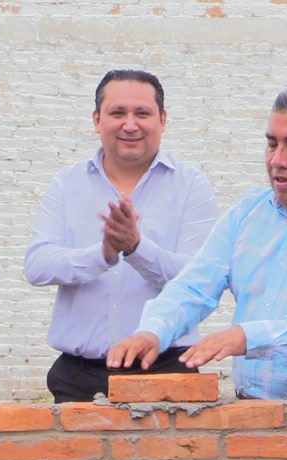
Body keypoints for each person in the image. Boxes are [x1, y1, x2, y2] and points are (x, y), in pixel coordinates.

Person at [108, 83, 287, 400]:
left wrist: (248, 337)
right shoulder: (248, 211)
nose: (277, 159)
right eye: (272, 144)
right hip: (251, 419)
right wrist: (153, 331)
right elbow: (194, 285)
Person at [24, 69, 219, 402]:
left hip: (165, 371)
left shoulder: (191, 186)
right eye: (118, 113)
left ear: (163, 119)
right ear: (97, 120)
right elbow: (38, 266)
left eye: (142, 113)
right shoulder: (67, 184)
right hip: (79, 377)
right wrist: (103, 255)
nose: (130, 124)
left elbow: (200, 280)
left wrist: (137, 248)